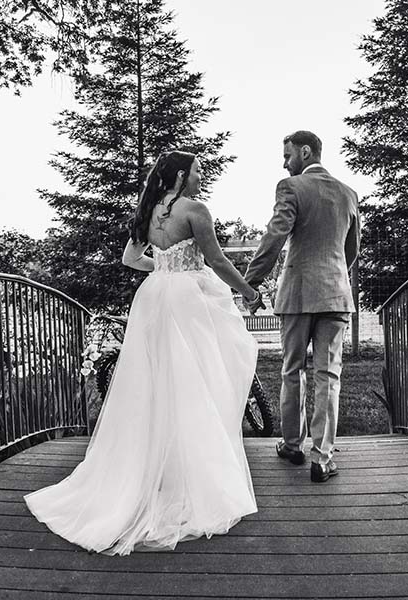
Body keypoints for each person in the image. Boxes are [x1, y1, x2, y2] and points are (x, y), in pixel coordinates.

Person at [24, 150, 262, 555]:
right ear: (183, 175)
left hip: (154, 298)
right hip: (188, 299)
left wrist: (163, 268)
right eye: (199, 170)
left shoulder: (148, 211)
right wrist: (250, 292)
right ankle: (188, 477)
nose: (201, 176)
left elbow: (129, 258)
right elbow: (218, 260)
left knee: (155, 384)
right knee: (196, 381)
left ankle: (154, 471)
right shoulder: (195, 210)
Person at [244, 130, 360, 483]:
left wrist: (249, 281)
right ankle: (322, 458)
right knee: (329, 374)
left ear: (305, 152)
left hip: (297, 294)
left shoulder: (290, 187)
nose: (284, 163)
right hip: (336, 295)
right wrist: (336, 276)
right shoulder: (349, 193)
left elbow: (275, 236)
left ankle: (293, 445)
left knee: (292, 369)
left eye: (288, 155)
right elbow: (351, 250)